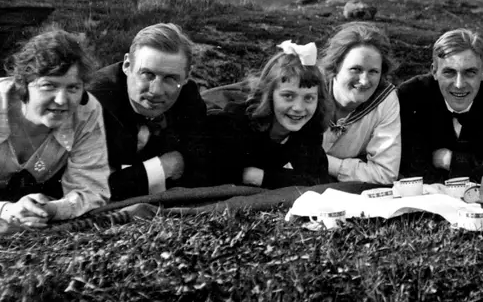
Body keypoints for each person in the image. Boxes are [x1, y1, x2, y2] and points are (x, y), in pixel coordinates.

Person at [0, 29, 110, 227]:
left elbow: (92, 189)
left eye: (72, 88)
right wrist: (6, 211)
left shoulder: (87, 111)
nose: (62, 100)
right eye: (49, 85)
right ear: (24, 83)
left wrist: (53, 210)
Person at [87, 23, 212, 200]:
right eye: (147, 74)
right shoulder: (94, 102)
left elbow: (200, 164)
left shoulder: (188, 96)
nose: (156, 91)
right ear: (127, 65)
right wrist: (164, 167)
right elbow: (94, 187)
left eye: (170, 78)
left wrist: (133, 176)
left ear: (186, 77)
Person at [397, 28, 483, 184]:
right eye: (449, 72)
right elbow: (411, 168)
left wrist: (451, 160)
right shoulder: (411, 96)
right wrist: (474, 165)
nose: (459, 84)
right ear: (434, 71)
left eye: (469, 72)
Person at [204, 41, 331, 189]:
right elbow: (219, 171)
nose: (298, 108)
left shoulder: (309, 132)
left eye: (309, 98)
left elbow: (317, 182)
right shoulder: (238, 123)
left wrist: (257, 176)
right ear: (269, 95)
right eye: (288, 96)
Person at [318, 22, 402, 186]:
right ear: (335, 66)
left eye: (373, 72)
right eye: (355, 69)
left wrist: (328, 164)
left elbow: (385, 174)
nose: (364, 81)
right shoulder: (312, 89)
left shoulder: (385, 99)